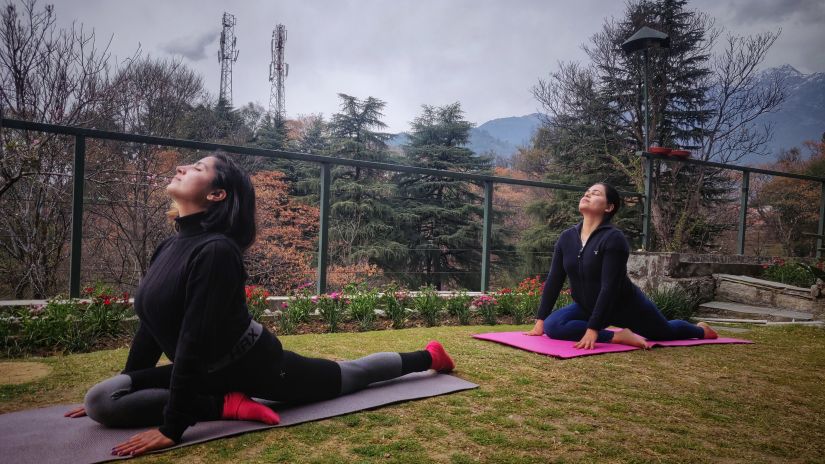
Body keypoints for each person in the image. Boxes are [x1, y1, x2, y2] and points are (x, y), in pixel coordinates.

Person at [65, 153, 456, 457]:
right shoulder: (169, 246)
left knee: (349, 375)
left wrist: (172, 426)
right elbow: (152, 323)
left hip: (257, 365)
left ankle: (428, 357)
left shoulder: (216, 251)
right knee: (101, 400)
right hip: (203, 374)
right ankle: (225, 403)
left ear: (217, 194)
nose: (182, 167)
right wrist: (130, 392)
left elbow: (193, 341)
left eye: (197, 167)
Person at [525, 182, 717, 349]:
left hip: (625, 306)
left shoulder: (614, 239)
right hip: (587, 306)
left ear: (609, 207)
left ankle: (700, 330)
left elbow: (610, 286)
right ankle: (618, 336)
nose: (588, 194)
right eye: (587, 191)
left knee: (664, 332)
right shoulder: (567, 238)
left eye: (596, 193)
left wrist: (592, 329)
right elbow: (554, 280)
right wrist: (540, 320)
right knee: (553, 326)